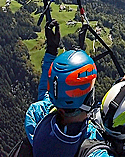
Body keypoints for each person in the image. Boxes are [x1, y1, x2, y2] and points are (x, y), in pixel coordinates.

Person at [24, 19, 98, 157]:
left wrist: (51, 51)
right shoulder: (92, 142)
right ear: (89, 99)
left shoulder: (39, 119)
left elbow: (46, 94)